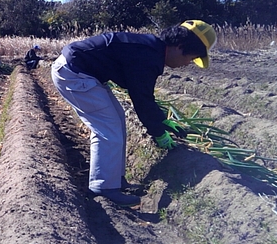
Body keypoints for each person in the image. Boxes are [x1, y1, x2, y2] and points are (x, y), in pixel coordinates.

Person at [51, 20, 216, 206]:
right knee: (107, 128)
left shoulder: (151, 50)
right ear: (180, 47)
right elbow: (142, 99)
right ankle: (103, 187)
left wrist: (161, 120)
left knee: (118, 119)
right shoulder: (147, 56)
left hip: (81, 72)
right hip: (74, 73)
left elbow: (142, 95)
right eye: (191, 58)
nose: (187, 64)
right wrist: (159, 131)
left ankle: (114, 179)